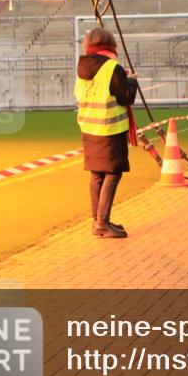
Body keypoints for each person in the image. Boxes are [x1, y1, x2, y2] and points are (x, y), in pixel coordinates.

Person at [74, 27, 138, 239]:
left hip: (89, 127)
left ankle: (98, 220)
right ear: (111, 44)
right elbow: (125, 97)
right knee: (113, 172)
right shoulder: (113, 67)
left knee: (96, 173)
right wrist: (131, 81)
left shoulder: (81, 67)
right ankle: (102, 222)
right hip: (110, 128)